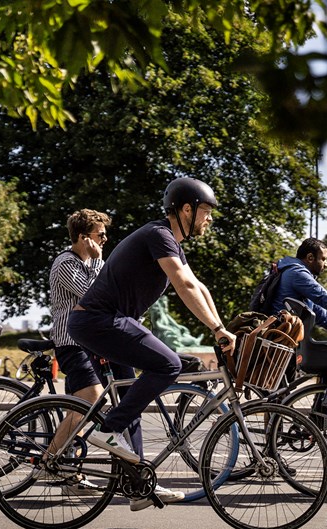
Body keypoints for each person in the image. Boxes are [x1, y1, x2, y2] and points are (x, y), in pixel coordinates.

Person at [68, 177, 236, 511]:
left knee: (131, 400)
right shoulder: (158, 235)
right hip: (101, 321)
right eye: (206, 211)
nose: (209, 219)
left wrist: (223, 329)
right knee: (169, 364)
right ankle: (108, 428)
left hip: (106, 322)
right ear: (186, 209)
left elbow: (198, 287)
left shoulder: (170, 242)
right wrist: (216, 329)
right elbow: (183, 285)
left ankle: (138, 485)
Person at [45, 209, 134, 494]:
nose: (106, 238)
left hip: (89, 343)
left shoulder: (90, 261)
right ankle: (49, 461)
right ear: (84, 238)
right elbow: (95, 296)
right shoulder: (65, 263)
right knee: (91, 402)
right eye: (100, 234)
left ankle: (69, 473)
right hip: (71, 343)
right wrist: (98, 262)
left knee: (80, 411)